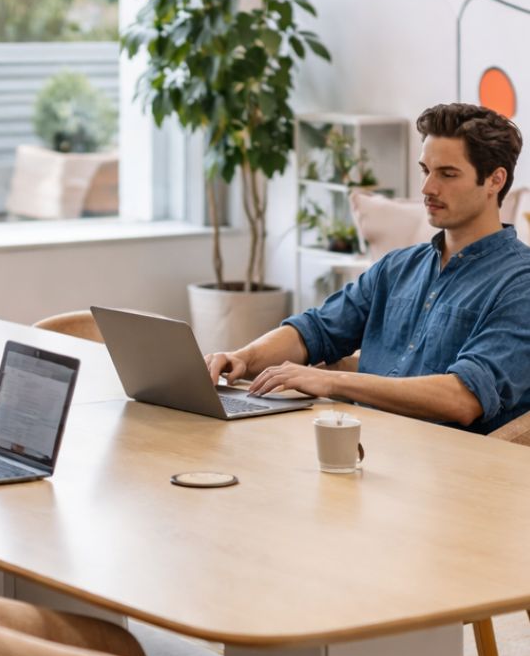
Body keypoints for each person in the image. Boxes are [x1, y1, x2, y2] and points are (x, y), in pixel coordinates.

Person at [206, 102, 530, 434]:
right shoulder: (398, 267)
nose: (428, 188)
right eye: (425, 171)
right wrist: (242, 357)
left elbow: (463, 398)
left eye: (447, 174)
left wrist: (332, 382)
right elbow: (315, 331)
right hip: (363, 445)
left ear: (494, 180)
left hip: (450, 468)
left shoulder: (520, 284)